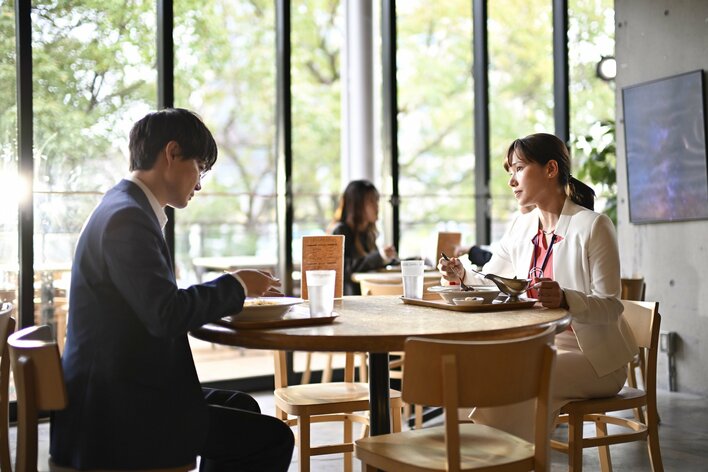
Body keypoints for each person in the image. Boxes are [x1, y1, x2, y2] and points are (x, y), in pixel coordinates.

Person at [51, 108, 294, 471]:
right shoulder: (128, 218)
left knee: (242, 405)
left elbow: (158, 303)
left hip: (118, 391)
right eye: (201, 168)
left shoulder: (123, 205)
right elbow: (165, 315)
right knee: (275, 438)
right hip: (116, 415)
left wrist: (234, 288)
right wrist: (239, 284)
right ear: (172, 153)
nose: (199, 185)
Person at [439, 132, 638, 441]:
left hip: (595, 359)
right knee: (479, 369)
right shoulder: (521, 227)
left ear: (550, 169)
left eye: (519, 168)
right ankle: (489, 452)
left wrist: (566, 298)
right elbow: (493, 283)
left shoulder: (594, 225)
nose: (511, 181)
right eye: (510, 171)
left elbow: (611, 306)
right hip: (540, 347)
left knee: (527, 374)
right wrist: (462, 274)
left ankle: (490, 453)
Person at [328, 180, 398, 295]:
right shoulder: (341, 231)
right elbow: (344, 268)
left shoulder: (367, 234)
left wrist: (390, 259)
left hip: (368, 295)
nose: (377, 207)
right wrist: (380, 256)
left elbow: (371, 264)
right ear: (357, 205)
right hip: (353, 300)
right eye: (371, 201)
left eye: (377, 201)